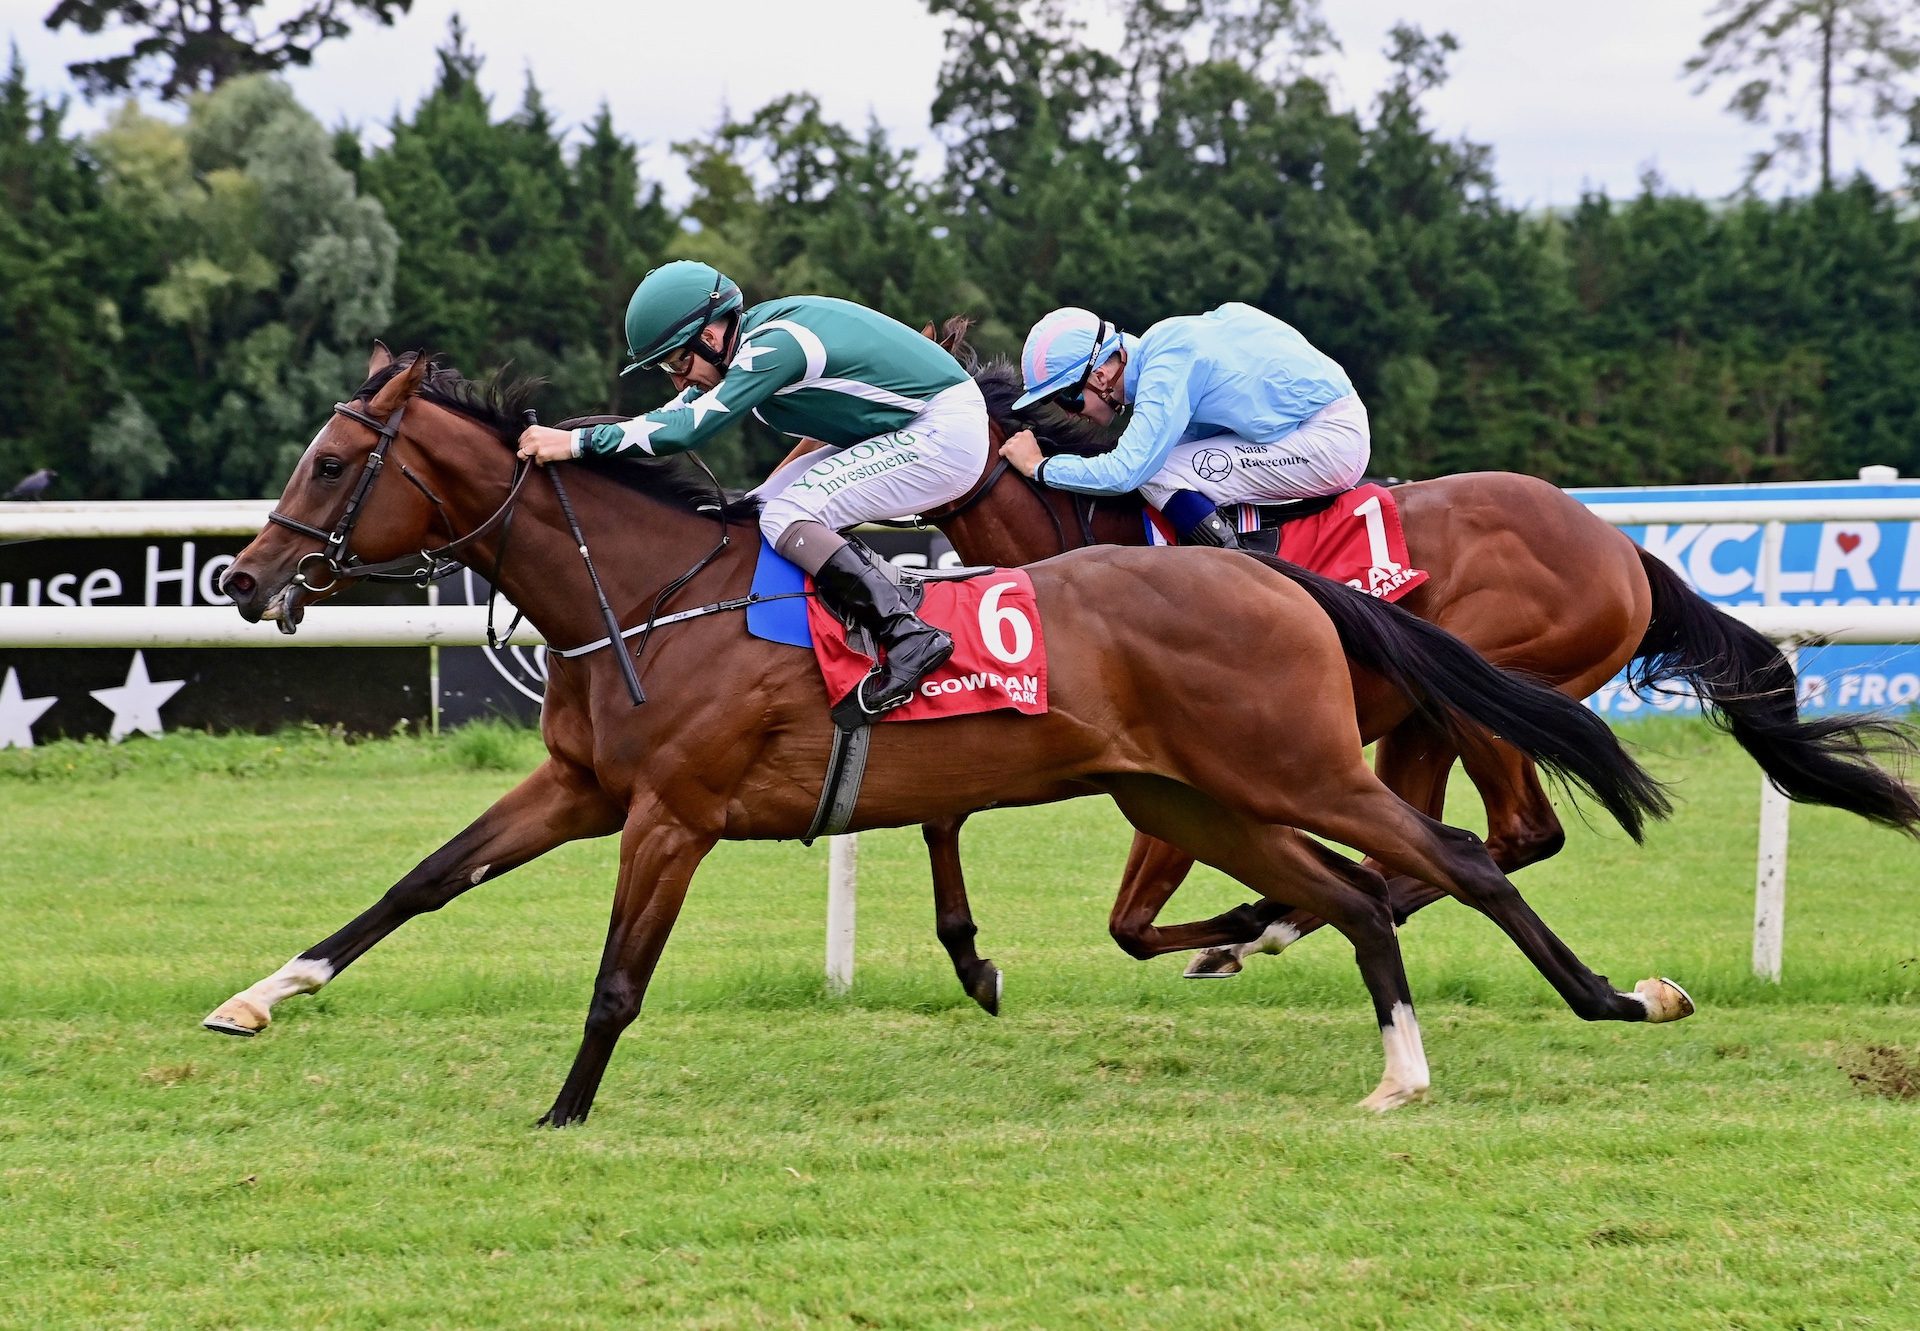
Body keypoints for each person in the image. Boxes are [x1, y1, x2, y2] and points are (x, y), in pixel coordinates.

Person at [517, 261, 988, 717]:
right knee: (759, 508)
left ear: (710, 335)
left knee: (787, 515)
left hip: (944, 432)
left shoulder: (775, 347)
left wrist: (575, 442)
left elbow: (687, 430)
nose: (680, 379)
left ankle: (907, 634)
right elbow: (666, 418)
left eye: (679, 361)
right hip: (908, 428)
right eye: (667, 369)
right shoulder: (740, 349)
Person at [998, 304, 1369, 548]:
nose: (1068, 414)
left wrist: (1039, 467)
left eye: (1067, 398)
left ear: (1101, 375)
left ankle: (1241, 567)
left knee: (1158, 473)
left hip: (1328, 440)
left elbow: (1127, 471)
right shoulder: (1167, 345)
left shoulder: (1168, 360)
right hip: (1318, 428)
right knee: (1171, 461)